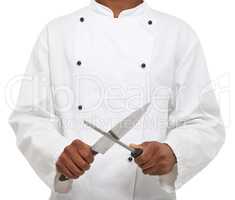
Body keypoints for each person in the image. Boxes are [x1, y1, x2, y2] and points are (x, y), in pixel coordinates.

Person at [9, 0, 225, 199]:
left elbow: (205, 122)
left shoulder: (178, 34)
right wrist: (57, 152)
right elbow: (30, 116)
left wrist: (173, 151)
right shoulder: (56, 32)